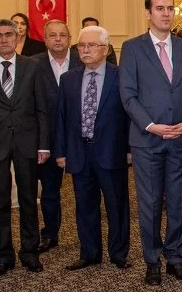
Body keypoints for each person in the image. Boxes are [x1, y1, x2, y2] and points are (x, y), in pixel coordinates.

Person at [119, 0, 182, 286]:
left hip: (179, 138)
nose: (166, 13)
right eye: (160, 8)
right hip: (147, 140)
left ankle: (175, 257)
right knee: (151, 203)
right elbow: (127, 95)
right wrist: (151, 125)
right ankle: (152, 260)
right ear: (148, 13)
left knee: (178, 201)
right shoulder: (132, 48)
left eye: (170, 8)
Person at [0, 19, 52, 276]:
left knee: (29, 199)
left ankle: (30, 252)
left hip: (27, 143)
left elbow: (42, 109)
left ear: (17, 38)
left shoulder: (33, 66)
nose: (4, 39)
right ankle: (3, 255)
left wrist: (44, 145)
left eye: (9, 34)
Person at [53, 25, 131, 272]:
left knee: (116, 205)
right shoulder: (68, 79)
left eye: (91, 45)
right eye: (81, 46)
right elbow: (61, 117)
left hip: (112, 151)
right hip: (79, 152)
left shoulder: (122, 76)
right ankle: (89, 253)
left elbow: (130, 116)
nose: (85, 50)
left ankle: (118, 253)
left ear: (105, 49)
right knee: (84, 205)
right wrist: (61, 151)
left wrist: (130, 148)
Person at [29, 20, 81, 253]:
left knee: (86, 190)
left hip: (80, 137)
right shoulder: (32, 64)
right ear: (45, 39)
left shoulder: (83, 60)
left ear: (70, 39)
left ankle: (88, 238)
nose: (58, 39)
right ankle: (50, 234)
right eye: (53, 35)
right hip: (47, 138)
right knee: (50, 190)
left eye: (62, 35)